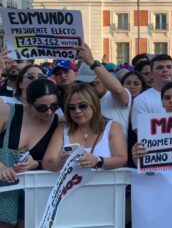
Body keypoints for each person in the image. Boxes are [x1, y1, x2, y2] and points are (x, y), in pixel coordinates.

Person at [0, 79, 60, 227]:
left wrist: (35, 163)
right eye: (42, 107)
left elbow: (51, 160)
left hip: (30, 192)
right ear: (28, 102)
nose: (49, 112)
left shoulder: (58, 122)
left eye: (54, 106)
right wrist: (1, 167)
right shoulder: (7, 112)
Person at [43, 83, 127, 171]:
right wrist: (60, 163)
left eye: (82, 106)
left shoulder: (112, 127)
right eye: (71, 108)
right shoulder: (62, 129)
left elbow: (121, 159)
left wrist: (98, 161)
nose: (77, 111)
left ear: (94, 104)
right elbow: (47, 162)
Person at [77, 43, 131, 137]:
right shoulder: (78, 102)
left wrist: (92, 62)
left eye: (93, 83)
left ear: (104, 81)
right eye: (84, 84)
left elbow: (118, 90)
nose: (88, 88)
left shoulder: (114, 98)